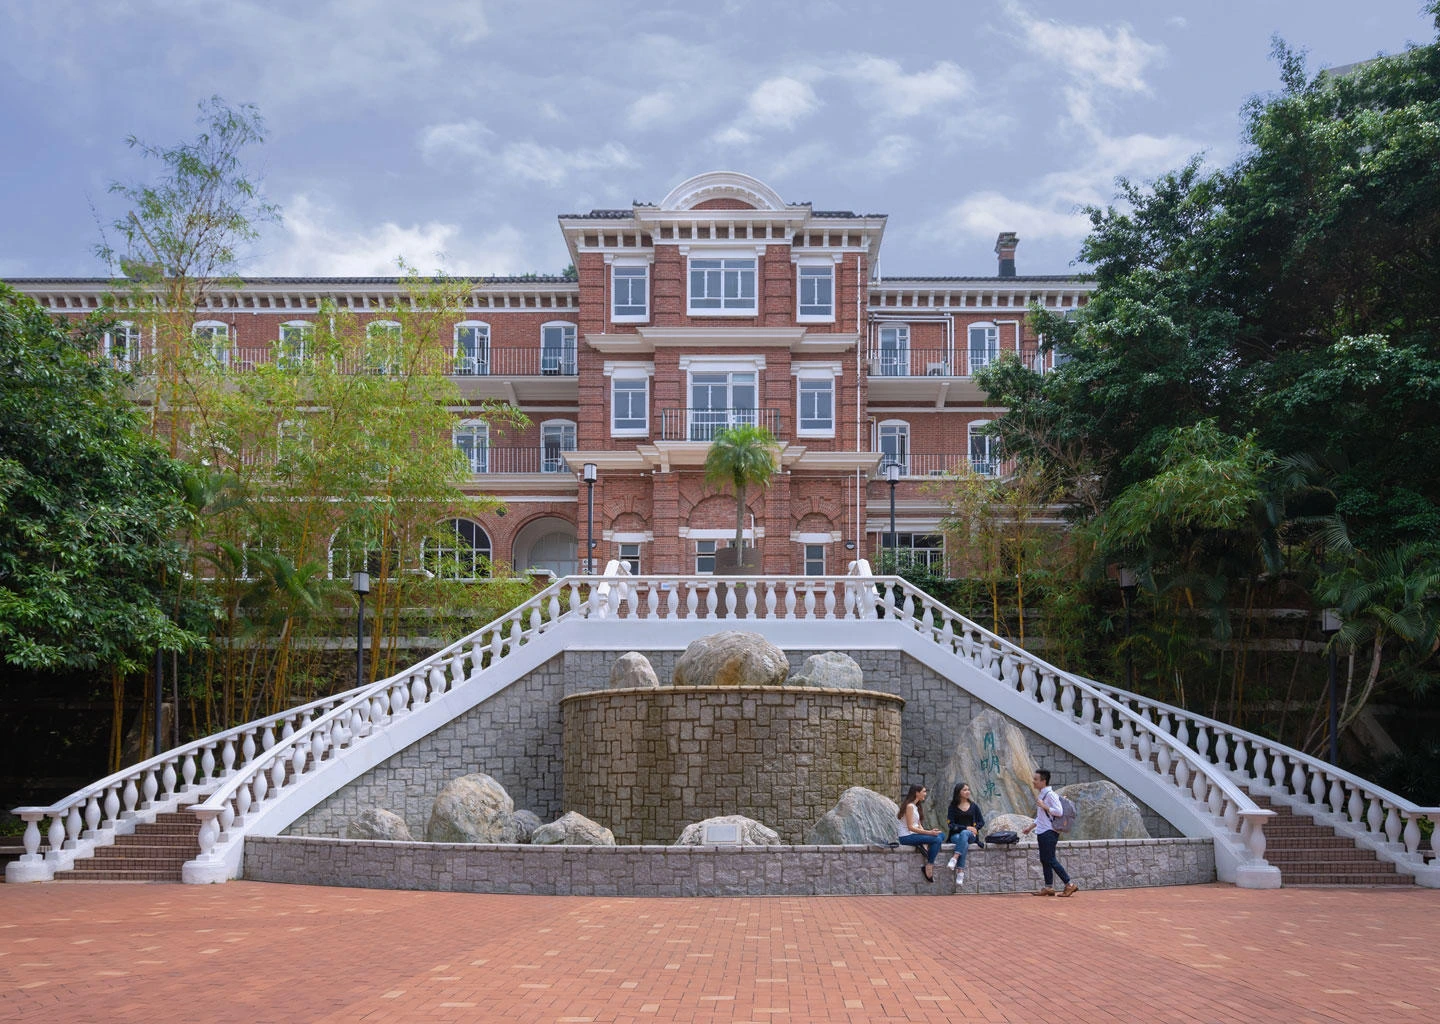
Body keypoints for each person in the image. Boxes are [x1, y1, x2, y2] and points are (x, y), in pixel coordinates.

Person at [1022, 768, 1078, 897]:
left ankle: (1069, 884)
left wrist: (1044, 806)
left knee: (1050, 859)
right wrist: (1030, 827)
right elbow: (1042, 816)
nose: (1033, 781)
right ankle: (1049, 887)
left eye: (1036, 779)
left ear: (1043, 781)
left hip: (1049, 832)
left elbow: (1059, 812)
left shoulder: (1050, 795)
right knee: (1045, 859)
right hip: (1042, 831)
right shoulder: (1042, 794)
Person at [896, 783, 944, 882]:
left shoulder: (915, 806)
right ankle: (929, 865)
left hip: (914, 834)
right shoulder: (909, 806)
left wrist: (928, 832)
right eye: (924, 791)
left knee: (941, 835)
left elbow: (918, 825)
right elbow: (910, 827)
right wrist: (929, 833)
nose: (925, 794)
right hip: (906, 837)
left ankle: (923, 844)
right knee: (937, 840)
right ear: (917, 793)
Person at [944, 782, 985, 886]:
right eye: (965, 790)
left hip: (971, 836)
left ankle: (955, 858)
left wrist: (975, 828)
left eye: (968, 789)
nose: (968, 792)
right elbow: (951, 825)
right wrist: (966, 827)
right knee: (964, 840)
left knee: (965, 834)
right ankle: (960, 872)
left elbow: (981, 821)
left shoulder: (974, 806)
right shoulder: (952, 807)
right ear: (959, 792)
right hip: (955, 836)